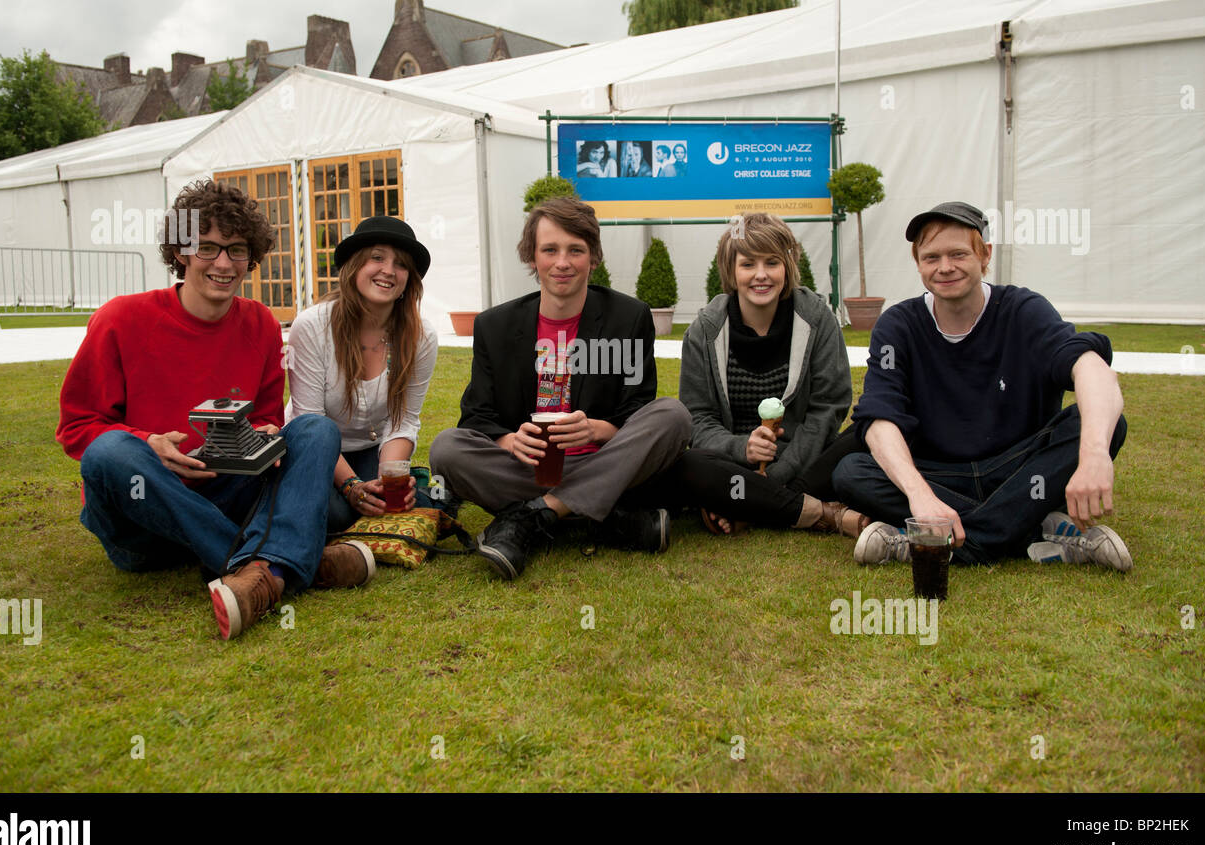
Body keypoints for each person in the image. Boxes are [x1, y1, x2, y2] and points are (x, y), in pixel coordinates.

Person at [56, 179, 371, 642]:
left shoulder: (261, 324)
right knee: (110, 452)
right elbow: (77, 428)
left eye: (237, 250)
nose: (223, 263)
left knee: (315, 430)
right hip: (144, 510)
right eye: (207, 247)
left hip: (226, 493)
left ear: (251, 257)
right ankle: (284, 564)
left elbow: (264, 418)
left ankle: (263, 571)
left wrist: (264, 435)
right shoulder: (120, 319)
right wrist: (149, 443)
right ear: (180, 253)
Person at [833, 201, 1132, 570]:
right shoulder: (899, 324)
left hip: (1018, 470)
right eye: (931, 257)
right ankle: (1030, 531)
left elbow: (1092, 369)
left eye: (958, 254)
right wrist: (920, 496)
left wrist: (1094, 455)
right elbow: (880, 418)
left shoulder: (1023, 310)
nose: (945, 267)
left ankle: (931, 541)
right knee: (851, 471)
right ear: (918, 263)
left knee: (1106, 425)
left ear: (984, 255)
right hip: (939, 475)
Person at [429, 197, 691, 579]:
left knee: (673, 416)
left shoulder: (629, 317)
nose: (562, 262)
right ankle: (600, 516)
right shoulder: (495, 326)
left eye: (576, 250)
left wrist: (598, 429)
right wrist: (508, 442)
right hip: (528, 468)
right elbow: (476, 416)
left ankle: (536, 516)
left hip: (601, 457)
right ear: (532, 258)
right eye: (549, 250)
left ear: (594, 258)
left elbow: (638, 408)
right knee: (447, 449)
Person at [676, 213, 866, 536]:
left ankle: (746, 505)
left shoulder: (818, 319)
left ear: (788, 268)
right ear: (731, 271)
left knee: (865, 432)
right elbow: (699, 418)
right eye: (748, 264)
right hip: (732, 463)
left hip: (805, 462)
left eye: (772, 263)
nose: (760, 275)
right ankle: (817, 511)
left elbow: (828, 409)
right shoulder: (704, 331)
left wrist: (778, 474)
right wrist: (743, 448)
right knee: (687, 465)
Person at [285, 216, 438, 533]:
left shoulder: (420, 337)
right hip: (313, 451)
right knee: (337, 513)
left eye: (400, 265)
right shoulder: (312, 326)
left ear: (408, 280)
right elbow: (308, 419)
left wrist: (388, 477)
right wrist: (352, 486)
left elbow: (404, 420)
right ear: (354, 266)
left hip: (371, 452)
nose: (388, 271)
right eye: (377, 257)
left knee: (408, 501)